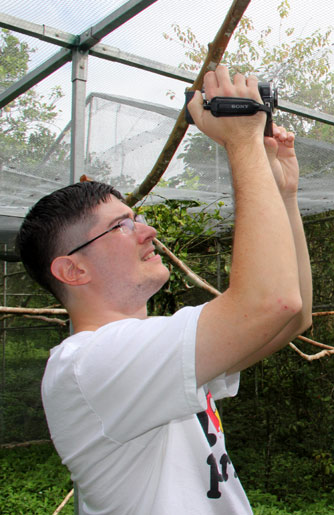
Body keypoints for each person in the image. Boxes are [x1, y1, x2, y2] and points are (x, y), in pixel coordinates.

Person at [16, 65, 312, 514]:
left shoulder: (148, 353)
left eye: (134, 218)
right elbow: (271, 303)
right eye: (121, 226)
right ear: (72, 269)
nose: (147, 230)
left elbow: (292, 317)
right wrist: (242, 141)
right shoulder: (89, 365)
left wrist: (284, 195)